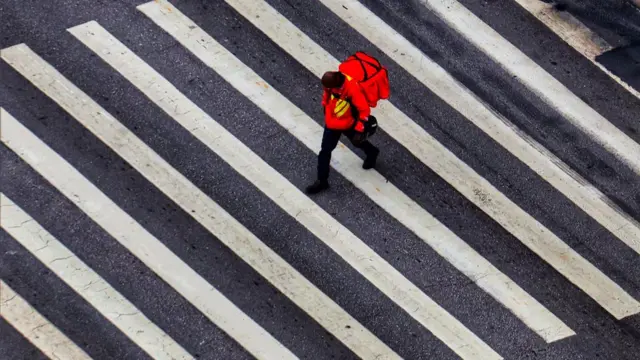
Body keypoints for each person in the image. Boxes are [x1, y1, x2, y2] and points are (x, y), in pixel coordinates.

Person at [305, 71, 380, 194]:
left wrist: (359, 128)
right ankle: (322, 181)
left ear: (337, 84)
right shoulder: (332, 84)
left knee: (357, 142)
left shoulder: (352, 89)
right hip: (332, 123)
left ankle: (372, 152)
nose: (327, 89)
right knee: (325, 151)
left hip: (348, 123)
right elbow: (326, 94)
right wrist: (325, 104)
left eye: (329, 87)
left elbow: (364, 110)